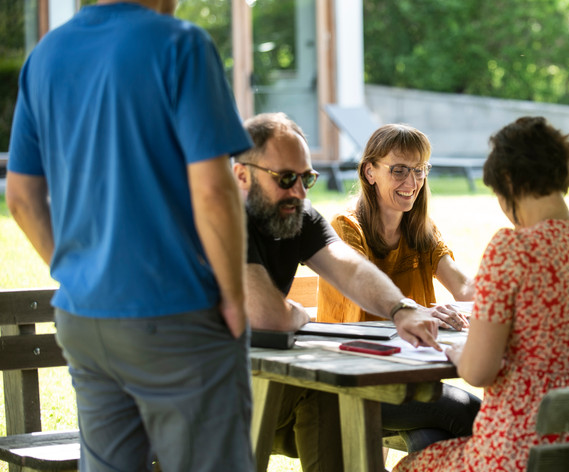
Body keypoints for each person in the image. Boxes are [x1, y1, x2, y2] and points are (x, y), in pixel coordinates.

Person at [6, 1, 254, 471]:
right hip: (177, 315)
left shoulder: (46, 54)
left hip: (83, 318)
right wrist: (235, 299)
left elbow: (20, 197)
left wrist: (83, 273)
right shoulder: (182, 45)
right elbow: (213, 191)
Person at [232, 112, 481, 472]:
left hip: (283, 382)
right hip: (205, 392)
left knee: (331, 396)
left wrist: (401, 307)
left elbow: (348, 268)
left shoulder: (297, 213)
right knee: (339, 395)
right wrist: (298, 313)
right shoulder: (221, 217)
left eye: (307, 179)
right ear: (242, 175)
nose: (300, 192)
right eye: (286, 179)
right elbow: (270, 318)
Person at [395, 116, 569, 472]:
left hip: (514, 452)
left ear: (509, 181)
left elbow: (479, 372)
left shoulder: (511, 251)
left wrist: (460, 351)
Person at [317, 123, 474, 326]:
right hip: (355, 350)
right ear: (369, 172)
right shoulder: (346, 226)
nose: (412, 183)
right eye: (399, 171)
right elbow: (362, 284)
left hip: (411, 348)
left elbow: (463, 286)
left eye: (419, 170)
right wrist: (420, 312)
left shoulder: (423, 229)